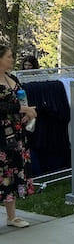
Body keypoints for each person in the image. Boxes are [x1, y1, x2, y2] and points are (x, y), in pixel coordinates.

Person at [0, 44, 37, 228]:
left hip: (17, 132)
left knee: (13, 170)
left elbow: (21, 99)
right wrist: (22, 109)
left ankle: (11, 216)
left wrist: (28, 113)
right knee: (2, 171)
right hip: (2, 134)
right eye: (8, 56)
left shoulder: (12, 78)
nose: (12, 60)